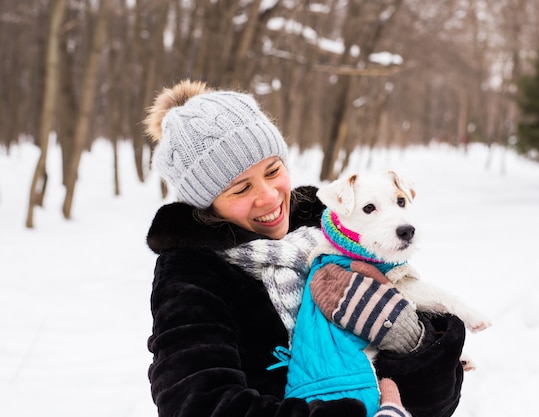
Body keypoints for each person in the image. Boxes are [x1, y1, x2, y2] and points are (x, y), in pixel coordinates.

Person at [144, 79, 467, 417]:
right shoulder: (192, 276)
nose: (269, 196)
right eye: (241, 189)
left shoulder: (330, 225)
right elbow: (196, 403)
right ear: (208, 205)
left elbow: (438, 399)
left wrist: (408, 336)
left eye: (273, 171)